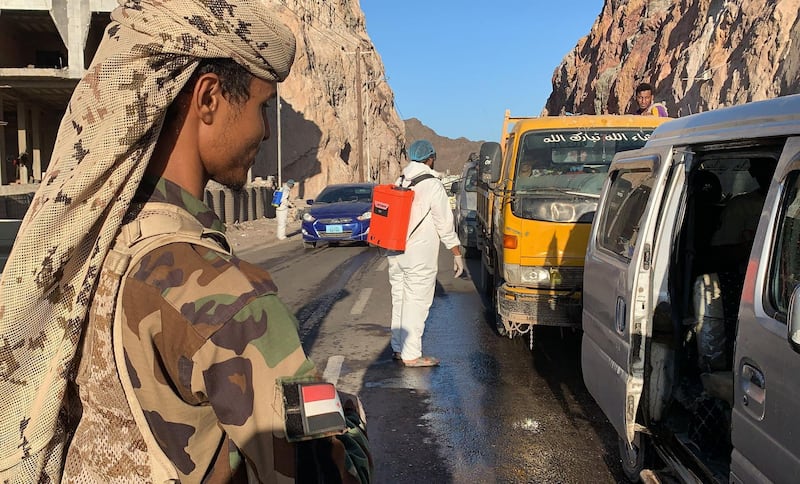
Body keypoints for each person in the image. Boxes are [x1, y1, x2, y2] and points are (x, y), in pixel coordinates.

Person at [0, 1, 370, 482]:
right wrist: (350, 425)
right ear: (209, 98)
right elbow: (326, 473)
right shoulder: (221, 291)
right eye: (262, 107)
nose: (265, 130)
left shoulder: (91, 250)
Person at [388, 139, 464, 367]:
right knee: (416, 302)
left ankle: (398, 348)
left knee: (400, 300)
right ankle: (411, 354)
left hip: (395, 251)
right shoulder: (432, 184)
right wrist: (456, 252)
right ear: (430, 159)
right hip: (418, 254)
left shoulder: (401, 179)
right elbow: (444, 223)